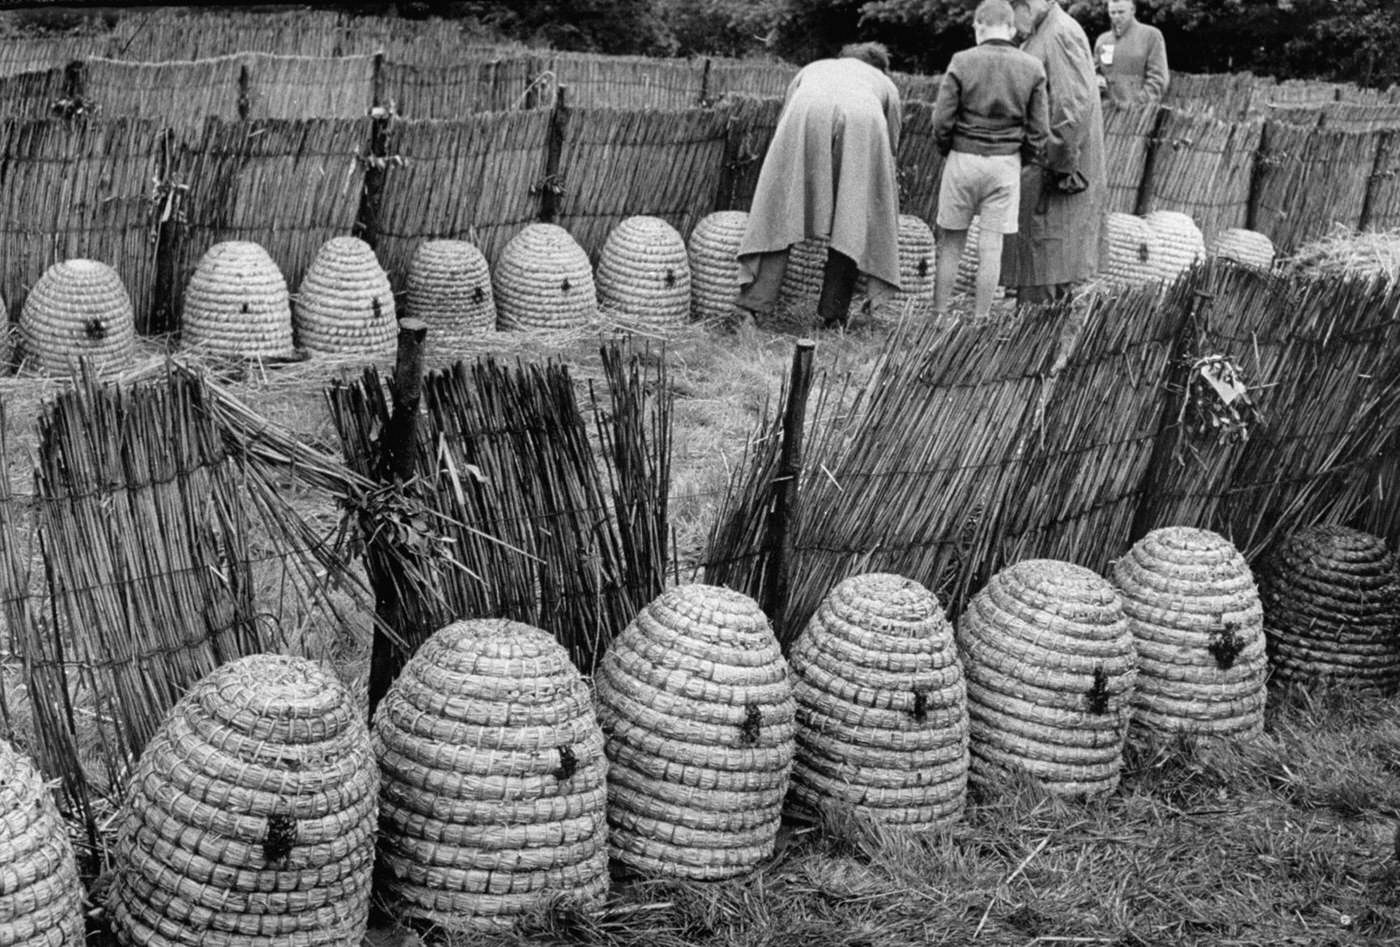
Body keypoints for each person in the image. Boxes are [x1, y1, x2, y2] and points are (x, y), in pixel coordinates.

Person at [736, 42, 902, 329]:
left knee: (780, 210)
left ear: (841, 58)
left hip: (807, 108)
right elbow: (892, 146)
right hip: (864, 119)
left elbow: (784, 120)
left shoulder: (814, 69)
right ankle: (833, 315)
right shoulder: (884, 83)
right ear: (880, 68)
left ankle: (752, 308)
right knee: (853, 218)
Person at [930, 0, 1049, 320]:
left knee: (951, 243)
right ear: (1011, 29)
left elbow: (941, 120)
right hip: (1005, 164)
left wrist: (949, 149)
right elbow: (1040, 130)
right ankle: (979, 320)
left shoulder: (962, 61)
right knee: (991, 247)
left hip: (963, 158)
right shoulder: (1032, 67)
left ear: (979, 26)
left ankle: (938, 316)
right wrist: (1021, 159)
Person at [1002, 0, 1107, 304]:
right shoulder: (1043, 31)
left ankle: (1034, 346)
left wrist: (1056, 166)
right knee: (1042, 266)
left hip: (1056, 174)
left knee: (1045, 268)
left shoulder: (1059, 32)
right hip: (1046, 167)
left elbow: (1071, 107)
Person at [1093, 0, 1169, 107]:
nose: (1116, 16)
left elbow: (1158, 79)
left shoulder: (1151, 36)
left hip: (1139, 113)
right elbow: (1095, 73)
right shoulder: (1102, 40)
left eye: (1121, 12)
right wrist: (1098, 82)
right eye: (1112, 13)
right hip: (1107, 112)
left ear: (1133, 10)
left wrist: (1138, 104)